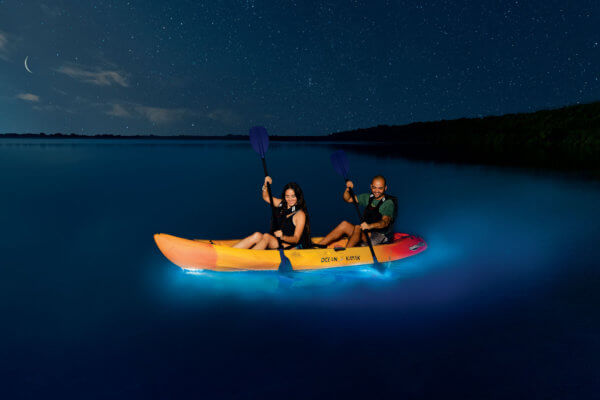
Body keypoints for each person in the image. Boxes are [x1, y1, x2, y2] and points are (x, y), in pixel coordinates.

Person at [232, 176, 312, 250]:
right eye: (287, 196)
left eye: (293, 196)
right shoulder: (281, 204)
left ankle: (246, 259)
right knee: (257, 235)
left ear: (298, 197)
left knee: (267, 237)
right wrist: (265, 184)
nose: (290, 199)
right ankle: (229, 253)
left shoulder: (300, 214)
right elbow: (266, 197)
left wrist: (283, 237)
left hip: (293, 248)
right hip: (278, 242)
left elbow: (296, 239)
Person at [316, 175, 395, 248]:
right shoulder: (368, 197)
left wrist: (369, 226)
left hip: (380, 237)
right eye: (374, 187)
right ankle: (318, 246)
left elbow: (385, 222)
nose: (376, 191)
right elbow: (348, 199)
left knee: (358, 227)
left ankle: (347, 253)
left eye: (380, 188)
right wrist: (347, 190)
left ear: (385, 188)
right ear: (371, 186)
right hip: (367, 234)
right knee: (344, 224)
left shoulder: (388, 203)